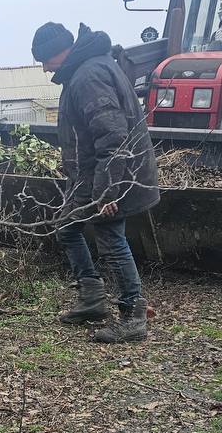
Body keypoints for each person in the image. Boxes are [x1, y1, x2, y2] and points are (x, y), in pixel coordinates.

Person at [32, 21, 160, 342]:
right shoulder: (86, 69)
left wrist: (107, 192)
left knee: (111, 239)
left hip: (113, 177)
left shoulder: (88, 76)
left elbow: (112, 137)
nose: (45, 69)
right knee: (67, 227)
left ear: (59, 52)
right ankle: (92, 299)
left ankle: (133, 315)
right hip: (93, 176)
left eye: (45, 61)